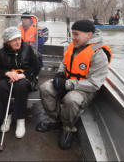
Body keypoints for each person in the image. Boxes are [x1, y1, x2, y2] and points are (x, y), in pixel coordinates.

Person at [35, 20, 112, 150]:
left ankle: (68, 127)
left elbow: (94, 83)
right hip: (68, 81)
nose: (73, 38)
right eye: (72, 34)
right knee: (45, 88)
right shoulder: (73, 45)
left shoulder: (99, 54)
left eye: (76, 34)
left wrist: (68, 84)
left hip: (85, 89)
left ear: (89, 35)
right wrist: (60, 74)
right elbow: (64, 63)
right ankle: (54, 119)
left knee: (71, 99)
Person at [0, 26, 40, 138]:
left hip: (26, 78)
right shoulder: (2, 53)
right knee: (0, 86)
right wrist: (8, 73)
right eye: (15, 40)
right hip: (9, 78)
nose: (18, 42)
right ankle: (7, 116)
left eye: (19, 38)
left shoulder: (27, 49)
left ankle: (20, 119)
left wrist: (22, 75)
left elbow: (36, 67)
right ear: (8, 41)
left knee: (21, 86)